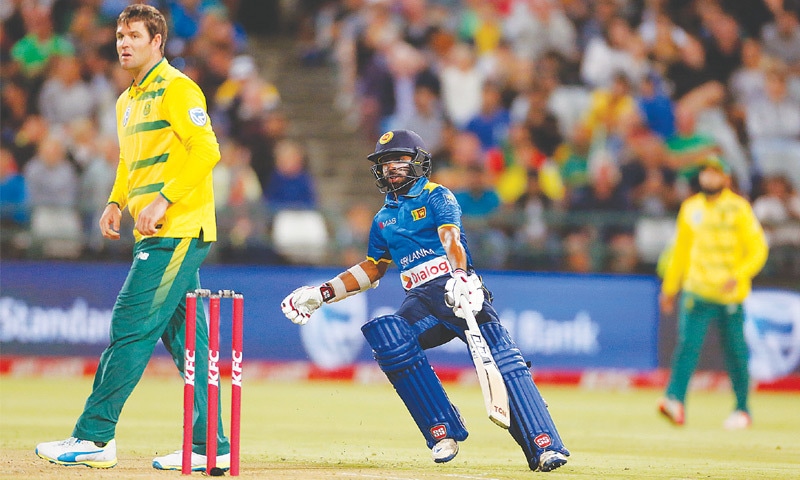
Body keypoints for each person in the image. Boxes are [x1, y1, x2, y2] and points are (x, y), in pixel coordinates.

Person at [280, 129, 570, 472]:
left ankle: (544, 446)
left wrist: (461, 275)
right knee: (390, 339)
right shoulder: (383, 219)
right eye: (385, 163)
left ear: (418, 162)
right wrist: (321, 294)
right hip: (420, 299)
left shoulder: (437, 196)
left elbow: (451, 237)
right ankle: (441, 430)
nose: (391, 169)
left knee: (503, 360)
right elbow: (373, 270)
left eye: (398, 161)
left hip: (457, 290)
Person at [35, 4, 229, 471]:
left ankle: (95, 437)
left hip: (176, 230)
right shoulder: (126, 100)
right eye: (120, 35)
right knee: (189, 343)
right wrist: (115, 201)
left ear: (157, 41)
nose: (123, 43)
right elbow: (128, 161)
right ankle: (211, 447)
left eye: (134, 35)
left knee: (129, 324)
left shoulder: (178, 89)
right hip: (154, 232)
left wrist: (164, 198)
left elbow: (207, 149)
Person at [657, 155, 768, 430]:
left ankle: (742, 409)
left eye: (715, 173)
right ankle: (675, 401)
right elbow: (680, 252)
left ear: (726, 178)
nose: (708, 177)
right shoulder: (690, 208)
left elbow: (758, 249)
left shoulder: (739, 208)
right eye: (705, 172)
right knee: (686, 347)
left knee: (735, 353)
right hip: (697, 290)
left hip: (729, 294)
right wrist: (670, 288)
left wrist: (738, 275)